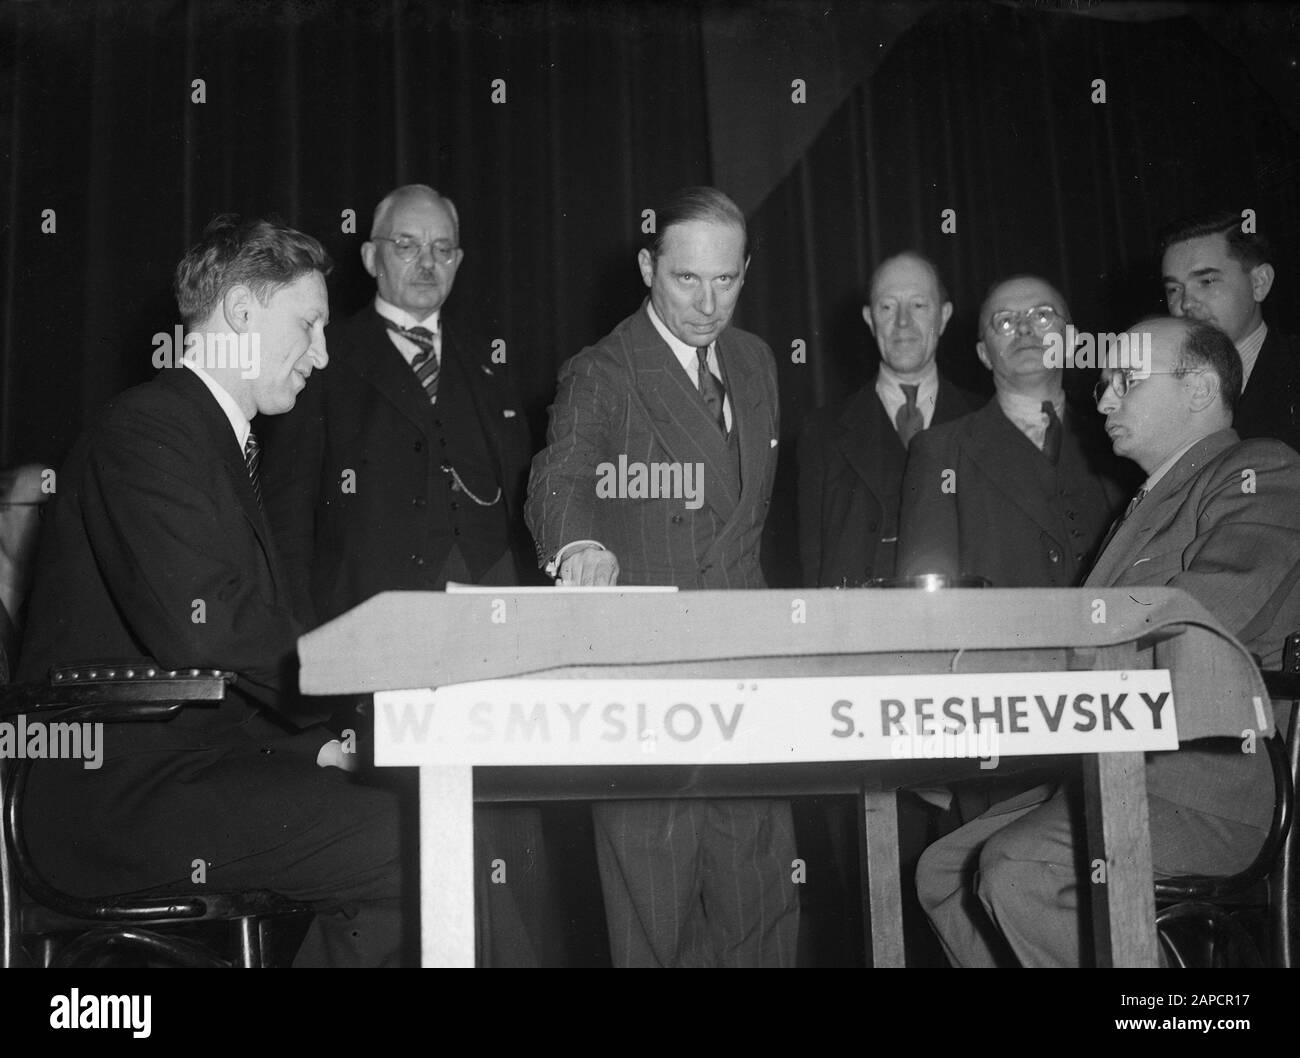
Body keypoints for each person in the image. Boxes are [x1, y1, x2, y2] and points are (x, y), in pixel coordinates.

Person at [18, 214, 407, 967]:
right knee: (414, 842)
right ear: (239, 311)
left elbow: (223, 655)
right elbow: (208, 633)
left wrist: (317, 745)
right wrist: (370, 675)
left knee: (423, 825)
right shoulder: (149, 430)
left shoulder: (207, 438)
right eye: (310, 325)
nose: (322, 355)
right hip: (119, 800)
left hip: (179, 772)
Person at [915, 315, 1300, 967]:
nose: (1104, 398)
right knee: (943, 873)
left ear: (1200, 388)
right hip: (1127, 771)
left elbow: (1210, 612)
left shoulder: (1257, 469)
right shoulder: (1150, 502)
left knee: (1020, 869)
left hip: (1210, 786)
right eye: (1104, 383)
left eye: (1126, 379)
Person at [258, 184, 558, 967]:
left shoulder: (487, 368)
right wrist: (301, 662)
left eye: (442, 249)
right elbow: (287, 526)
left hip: (485, 657)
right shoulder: (322, 360)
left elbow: (524, 516)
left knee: (500, 847)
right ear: (370, 256)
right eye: (406, 245)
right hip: (372, 653)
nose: (426, 263)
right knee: (390, 868)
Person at [525, 186, 798, 967]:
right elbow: (561, 475)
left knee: (762, 895)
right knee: (658, 909)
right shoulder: (604, 370)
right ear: (649, 267)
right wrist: (576, 547)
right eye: (686, 280)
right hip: (648, 678)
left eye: (728, 279)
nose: (709, 303)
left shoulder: (754, 362)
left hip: (746, 666)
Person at [898, 274, 1127, 587]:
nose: (1024, 329)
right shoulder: (940, 451)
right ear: (983, 354)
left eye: (1043, 315)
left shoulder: (1118, 438)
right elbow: (929, 598)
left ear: (1073, 341)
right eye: (1004, 322)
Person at [799, 251, 977, 588]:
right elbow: (814, 564)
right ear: (870, 319)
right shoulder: (821, 432)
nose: (903, 322)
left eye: (919, 306)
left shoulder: (984, 421)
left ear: (944, 316)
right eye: (887, 307)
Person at [1160, 208, 1300, 451]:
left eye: (1206, 281)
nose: (1186, 304)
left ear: (1259, 283)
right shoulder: (1163, 388)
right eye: (1174, 289)